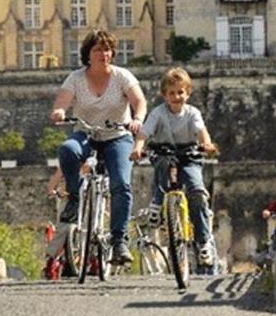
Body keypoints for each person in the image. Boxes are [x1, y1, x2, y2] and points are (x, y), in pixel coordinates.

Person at [48, 29, 146, 265]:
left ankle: (119, 240)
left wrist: (137, 119)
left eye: (107, 49)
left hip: (117, 136)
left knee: (121, 184)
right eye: (98, 49)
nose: (103, 53)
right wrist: (59, 112)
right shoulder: (76, 78)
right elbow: (62, 102)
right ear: (88, 54)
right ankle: (74, 195)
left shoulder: (123, 77)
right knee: (68, 150)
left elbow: (139, 101)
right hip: (86, 134)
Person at [129, 67, 218, 267]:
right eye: (172, 93)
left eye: (180, 92)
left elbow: (201, 131)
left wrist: (207, 144)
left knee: (197, 192)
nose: (177, 97)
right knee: (162, 165)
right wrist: (137, 148)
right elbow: (144, 133)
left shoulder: (192, 112)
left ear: (188, 93)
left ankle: (203, 241)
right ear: (164, 95)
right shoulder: (158, 113)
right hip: (163, 151)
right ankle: (157, 201)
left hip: (189, 154)